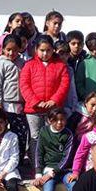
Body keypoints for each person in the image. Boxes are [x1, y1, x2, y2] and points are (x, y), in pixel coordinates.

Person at [20, 35, 70, 166]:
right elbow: (24, 85)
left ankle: (50, 164)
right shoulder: (29, 65)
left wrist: (54, 100)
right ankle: (35, 166)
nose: (45, 53)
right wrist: (36, 101)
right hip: (34, 109)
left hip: (52, 109)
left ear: (53, 50)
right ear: (36, 49)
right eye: (42, 50)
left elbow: (64, 85)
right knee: (35, 137)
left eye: (48, 50)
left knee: (51, 136)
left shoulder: (60, 65)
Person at [32, 107, 75, 191]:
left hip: (65, 171)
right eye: (55, 120)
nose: (60, 123)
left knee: (74, 188)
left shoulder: (68, 134)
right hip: (48, 170)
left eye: (62, 120)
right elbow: (38, 153)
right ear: (49, 120)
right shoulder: (44, 132)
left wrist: (51, 173)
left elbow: (66, 158)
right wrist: (38, 174)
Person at [0, 34, 28, 162]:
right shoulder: (1, 64)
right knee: (6, 136)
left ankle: (18, 162)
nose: (11, 53)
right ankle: (4, 162)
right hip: (6, 106)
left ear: (20, 49)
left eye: (14, 50)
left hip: (21, 106)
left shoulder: (23, 63)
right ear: (3, 49)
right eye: (8, 50)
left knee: (21, 135)